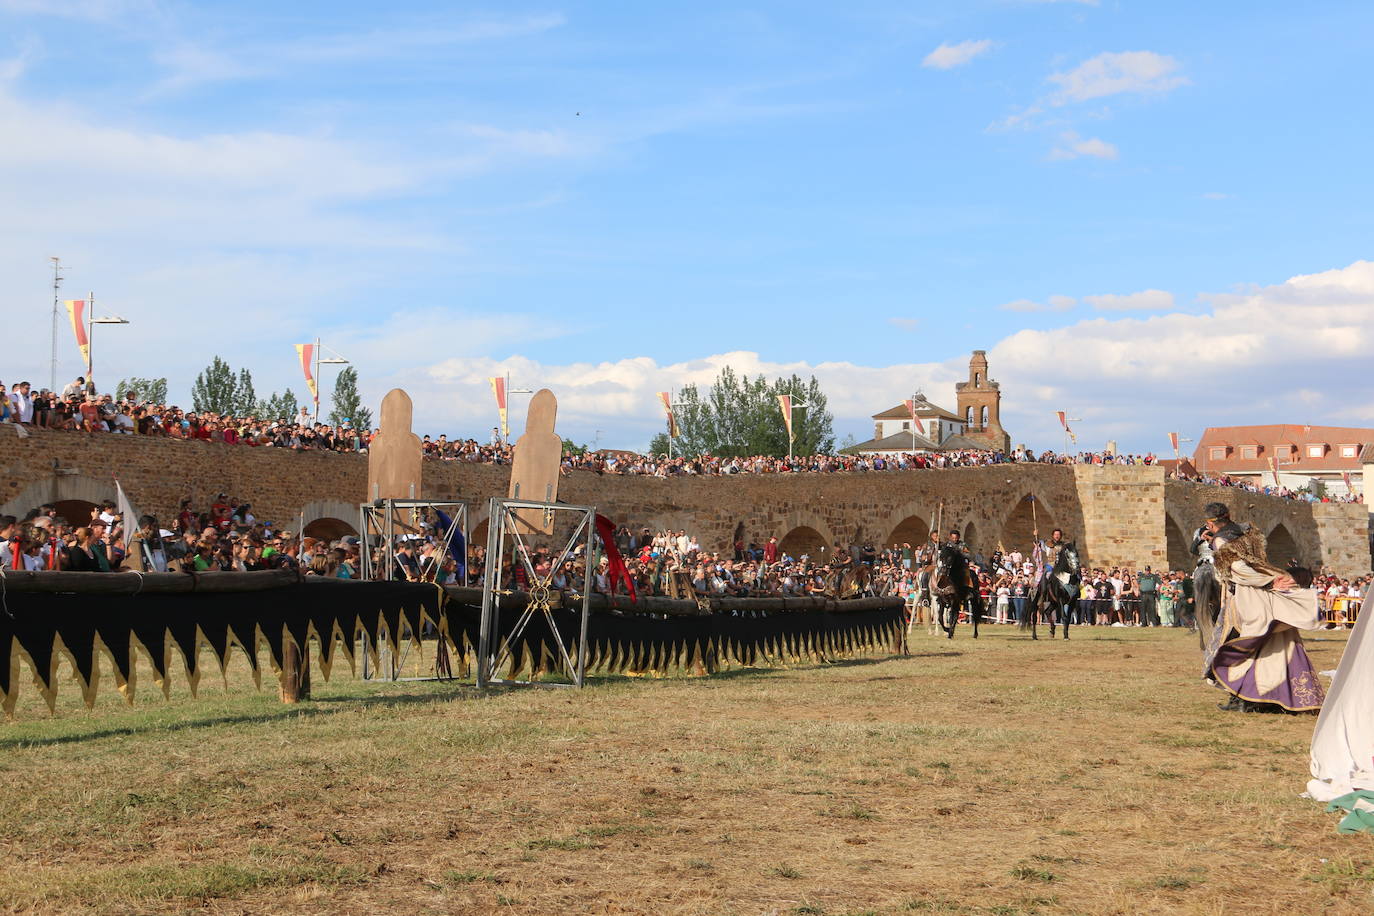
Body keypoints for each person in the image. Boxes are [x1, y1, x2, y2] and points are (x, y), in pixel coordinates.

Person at [1200, 501, 1324, 713]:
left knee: (1238, 645)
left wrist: (1267, 581)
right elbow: (1251, 559)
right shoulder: (1245, 531)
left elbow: (1239, 568)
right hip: (1262, 593)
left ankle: (1243, 699)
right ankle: (1265, 697)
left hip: (1248, 595)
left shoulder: (1221, 540)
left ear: (1210, 523)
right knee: (1276, 644)